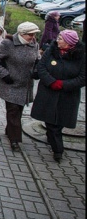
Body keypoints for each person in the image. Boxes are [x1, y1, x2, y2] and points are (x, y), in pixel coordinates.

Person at [30, 30, 85, 162]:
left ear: (69, 43)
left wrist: (63, 84)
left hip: (68, 95)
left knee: (59, 122)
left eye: (61, 38)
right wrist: (51, 82)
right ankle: (58, 150)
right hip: (48, 92)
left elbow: (82, 78)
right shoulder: (51, 50)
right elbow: (41, 67)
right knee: (50, 122)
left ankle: (54, 141)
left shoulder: (81, 55)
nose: (57, 40)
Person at [0, 21, 41, 152]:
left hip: (25, 85)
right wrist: (4, 74)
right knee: (12, 112)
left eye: (34, 34)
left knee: (18, 111)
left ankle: (9, 130)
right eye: (30, 34)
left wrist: (36, 70)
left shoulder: (34, 44)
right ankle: (15, 140)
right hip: (11, 84)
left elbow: (37, 59)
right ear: (22, 34)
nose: (33, 37)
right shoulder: (8, 44)